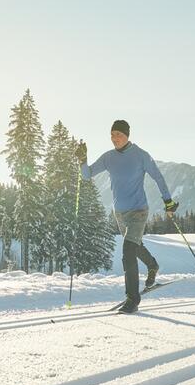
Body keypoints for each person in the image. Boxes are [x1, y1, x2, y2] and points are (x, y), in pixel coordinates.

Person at [76, 119, 178, 313]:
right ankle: (153, 265)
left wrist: (168, 201)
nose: (115, 138)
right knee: (135, 245)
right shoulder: (108, 157)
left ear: (127, 135)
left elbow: (158, 176)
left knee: (128, 250)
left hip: (139, 211)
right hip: (120, 213)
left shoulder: (140, 155)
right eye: (112, 134)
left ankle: (132, 299)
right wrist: (82, 160)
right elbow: (87, 175)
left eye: (119, 134)